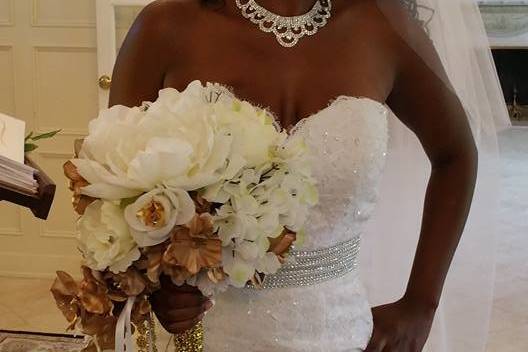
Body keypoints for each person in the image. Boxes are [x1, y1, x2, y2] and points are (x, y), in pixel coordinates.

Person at [108, 0, 507, 351]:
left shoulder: (380, 24)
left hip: (340, 332)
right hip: (204, 335)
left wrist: (422, 302)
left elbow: (456, 154)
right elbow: (111, 189)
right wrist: (155, 286)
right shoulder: (165, 28)